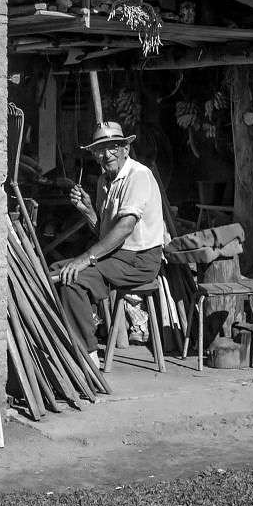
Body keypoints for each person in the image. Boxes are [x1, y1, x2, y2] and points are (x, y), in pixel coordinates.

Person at [54, 121, 166, 366]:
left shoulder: (138, 176)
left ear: (125, 149)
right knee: (55, 271)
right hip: (117, 256)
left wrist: (86, 259)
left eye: (113, 147)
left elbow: (125, 227)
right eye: (100, 150)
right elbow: (105, 234)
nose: (107, 154)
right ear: (95, 155)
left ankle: (88, 356)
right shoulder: (104, 181)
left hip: (140, 260)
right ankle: (65, 342)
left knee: (73, 279)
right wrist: (88, 212)